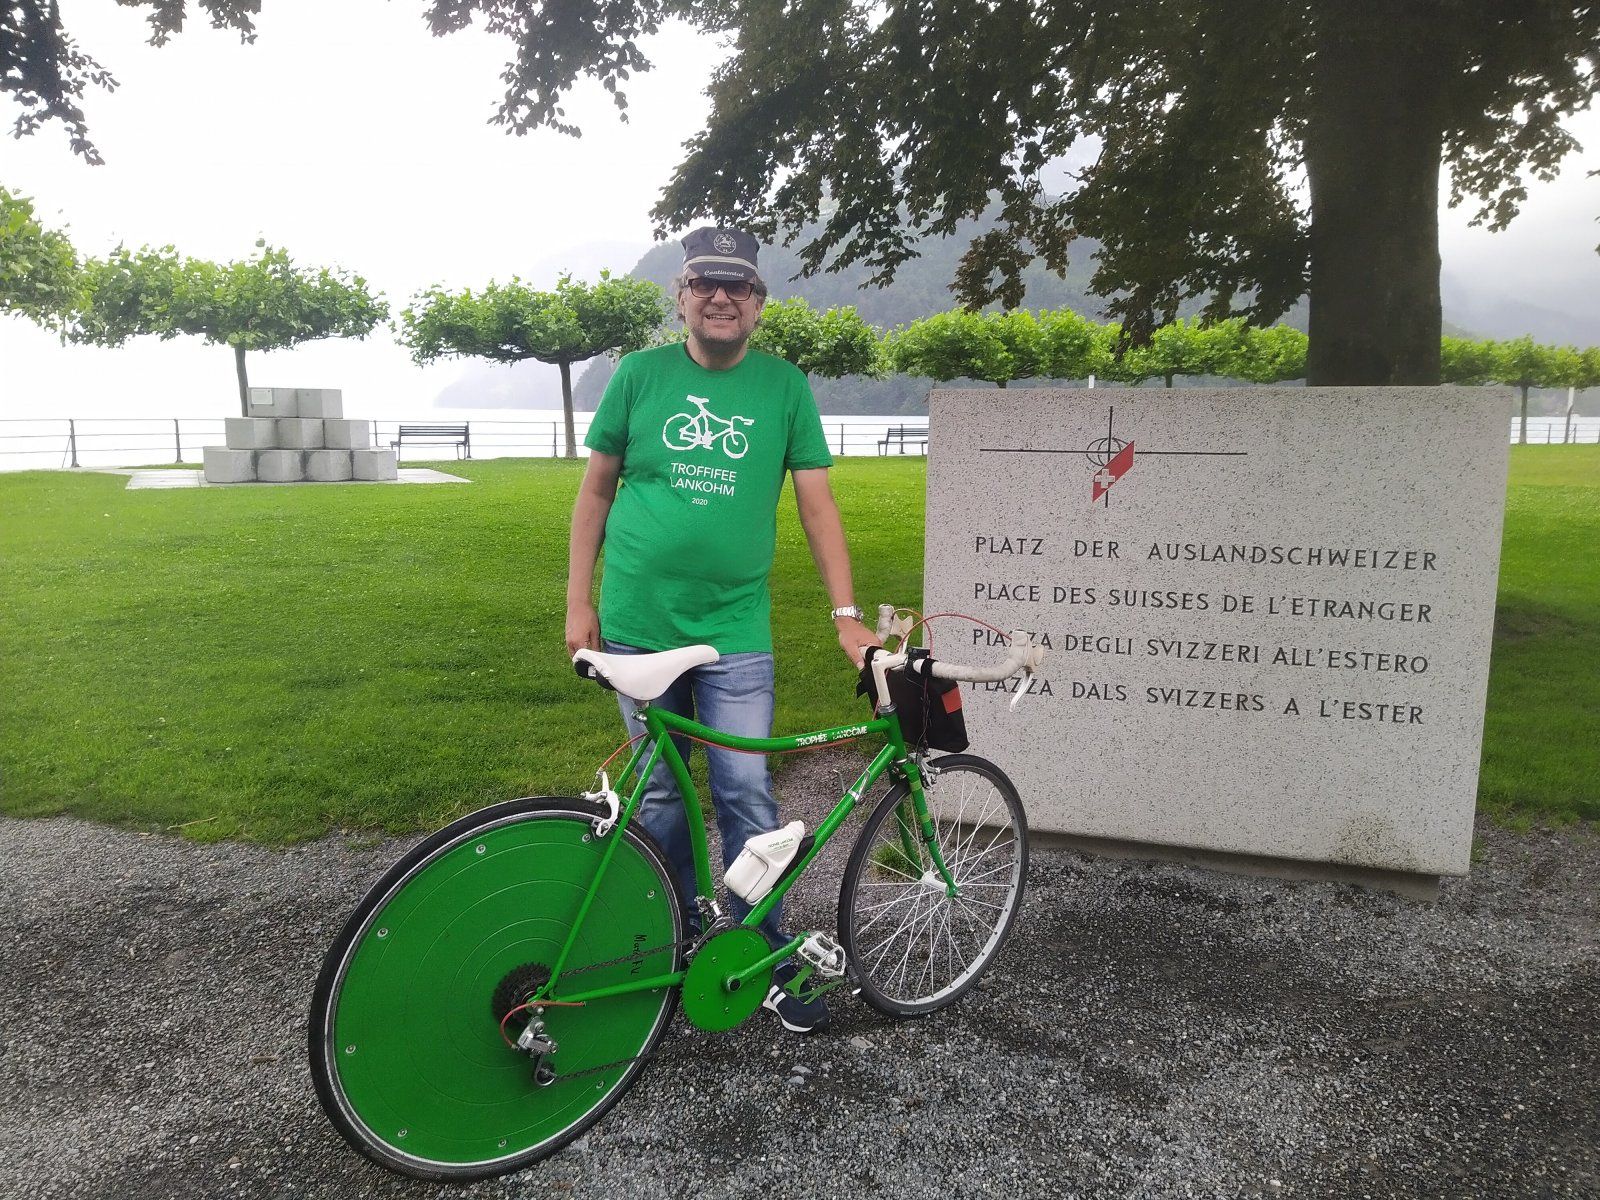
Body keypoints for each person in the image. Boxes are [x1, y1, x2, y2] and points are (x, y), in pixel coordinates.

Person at [565, 226, 878, 1035]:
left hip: (735, 629)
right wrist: (578, 602)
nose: (720, 296)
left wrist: (847, 617)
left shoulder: (784, 387)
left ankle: (761, 954)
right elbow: (595, 492)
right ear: (681, 296)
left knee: (745, 790)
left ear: (758, 304)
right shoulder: (639, 376)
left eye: (737, 285)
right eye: (704, 281)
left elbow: (817, 506)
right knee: (660, 793)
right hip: (639, 626)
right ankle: (673, 940)